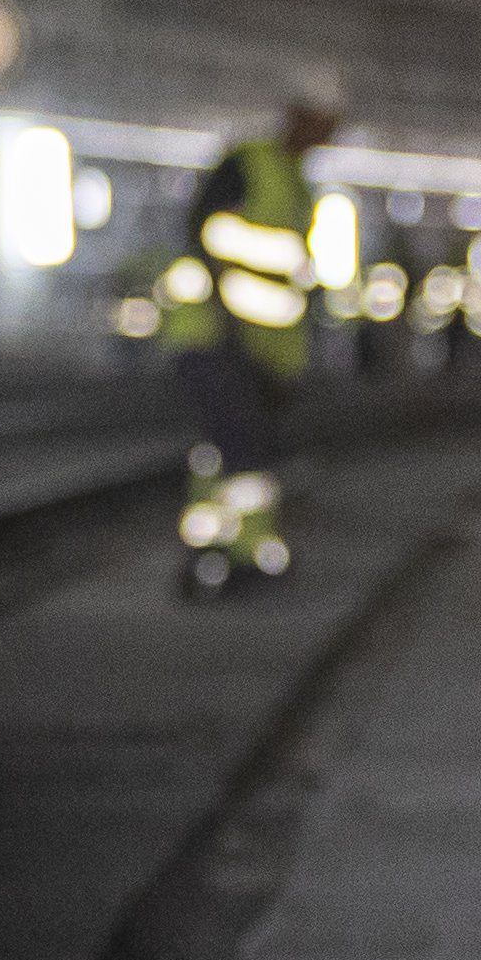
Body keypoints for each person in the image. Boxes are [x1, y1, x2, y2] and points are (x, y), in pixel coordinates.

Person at [157, 99, 334, 593]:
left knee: (228, 449)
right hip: (214, 336)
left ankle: (210, 551)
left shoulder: (298, 183)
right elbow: (207, 232)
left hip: (257, 346)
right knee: (243, 449)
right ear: (297, 118)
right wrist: (228, 316)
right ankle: (244, 556)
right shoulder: (249, 164)